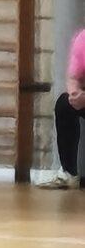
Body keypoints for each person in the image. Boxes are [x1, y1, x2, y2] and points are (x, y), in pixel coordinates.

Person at [36, 25, 85, 189]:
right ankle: (68, 173)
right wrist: (75, 95)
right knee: (64, 104)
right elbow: (73, 77)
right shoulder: (83, 39)